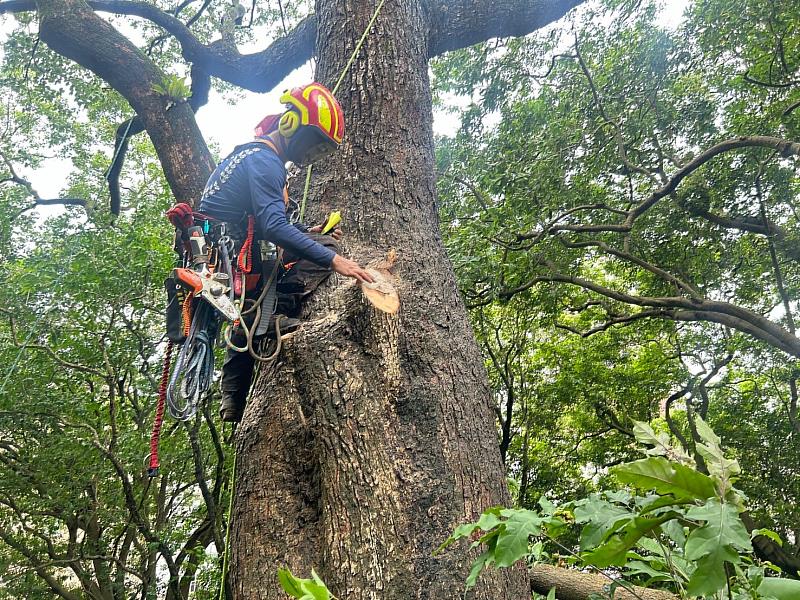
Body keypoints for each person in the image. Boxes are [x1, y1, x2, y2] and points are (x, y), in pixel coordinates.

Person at [198, 82, 374, 422]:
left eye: (319, 152)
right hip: (231, 252)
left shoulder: (251, 155)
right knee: (325, 250)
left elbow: (269, 223)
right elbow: (275, 228)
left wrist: (308, 232)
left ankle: (233, 395)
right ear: (290, 124)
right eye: (311, 145)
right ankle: (277, 313)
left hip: (224, 248)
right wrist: (336, 260)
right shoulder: (265, 162)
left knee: (259, 301)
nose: (310, 157)